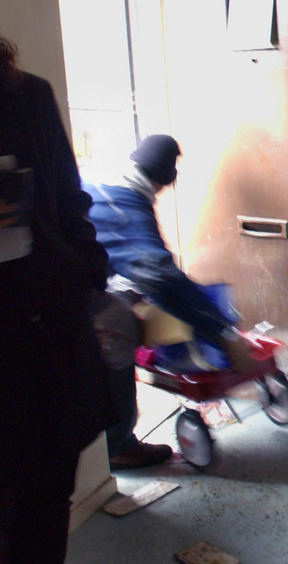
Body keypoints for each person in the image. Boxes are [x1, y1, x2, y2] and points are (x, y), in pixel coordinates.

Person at [1, 36, 116, 562]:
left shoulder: (26, 96)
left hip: (44, 325)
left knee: (46, 491)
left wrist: (87, 271)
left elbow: (69, 200)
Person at [83, 134, 254, 469]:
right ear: (164, 181)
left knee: (133, 305)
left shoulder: (99, 185)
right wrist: (224, 333)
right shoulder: (129, 210)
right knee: (117, 325)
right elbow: (160, 275)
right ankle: (118, 444)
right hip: (71, 305)